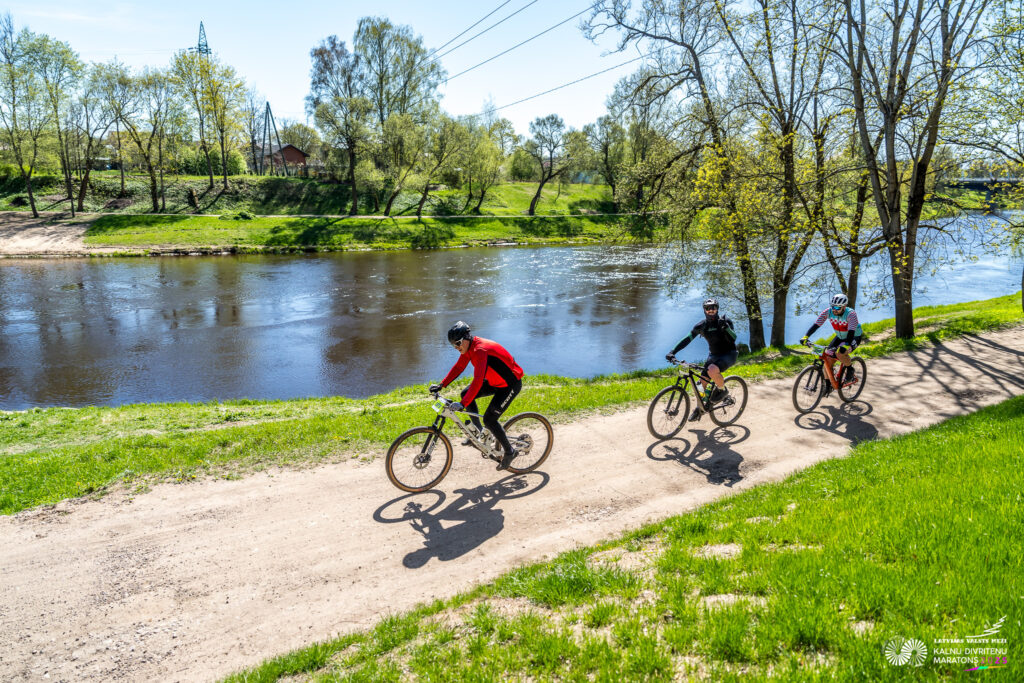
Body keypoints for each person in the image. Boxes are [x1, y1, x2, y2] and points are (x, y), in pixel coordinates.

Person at [430, 321, 524, 471]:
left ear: (467, 338)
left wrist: (463, 404)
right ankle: (478, 435)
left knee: (489, 419)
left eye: (458, 343)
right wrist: (442, 384)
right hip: (495, 382)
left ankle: (509, 451)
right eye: (453, 345)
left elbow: (478, 380)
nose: (456, 347)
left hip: (510, 385)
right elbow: (459, 367)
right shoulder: (468, 348)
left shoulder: (480, 350)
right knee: (465, 393)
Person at [665, 298, 739, 422]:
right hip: (714, 355)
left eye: (713, 307)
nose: (711, 310)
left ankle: (722, 390)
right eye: (708, 308)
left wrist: (726, 328)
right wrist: (673, 352)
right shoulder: (701, 325)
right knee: (700, 384)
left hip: (729, 354)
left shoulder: (725, 321)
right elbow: (687, 339)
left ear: (717, 309)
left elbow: (734, 338)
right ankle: (701, 407)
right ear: (704, 310)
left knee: (712, 370)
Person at [800, 293, 864, 391]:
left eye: (838, 308)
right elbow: (816, 325)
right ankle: (828, 385)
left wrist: (846, 345)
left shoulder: (851, 314)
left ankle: (850, 369)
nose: (834, 310)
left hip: (854, 336)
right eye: (833, 307)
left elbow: (851, 332)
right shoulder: (828, 312)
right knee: (827, 357)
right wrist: (806, 336)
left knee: (840, 353)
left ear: (844, 307)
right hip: (840, 336)